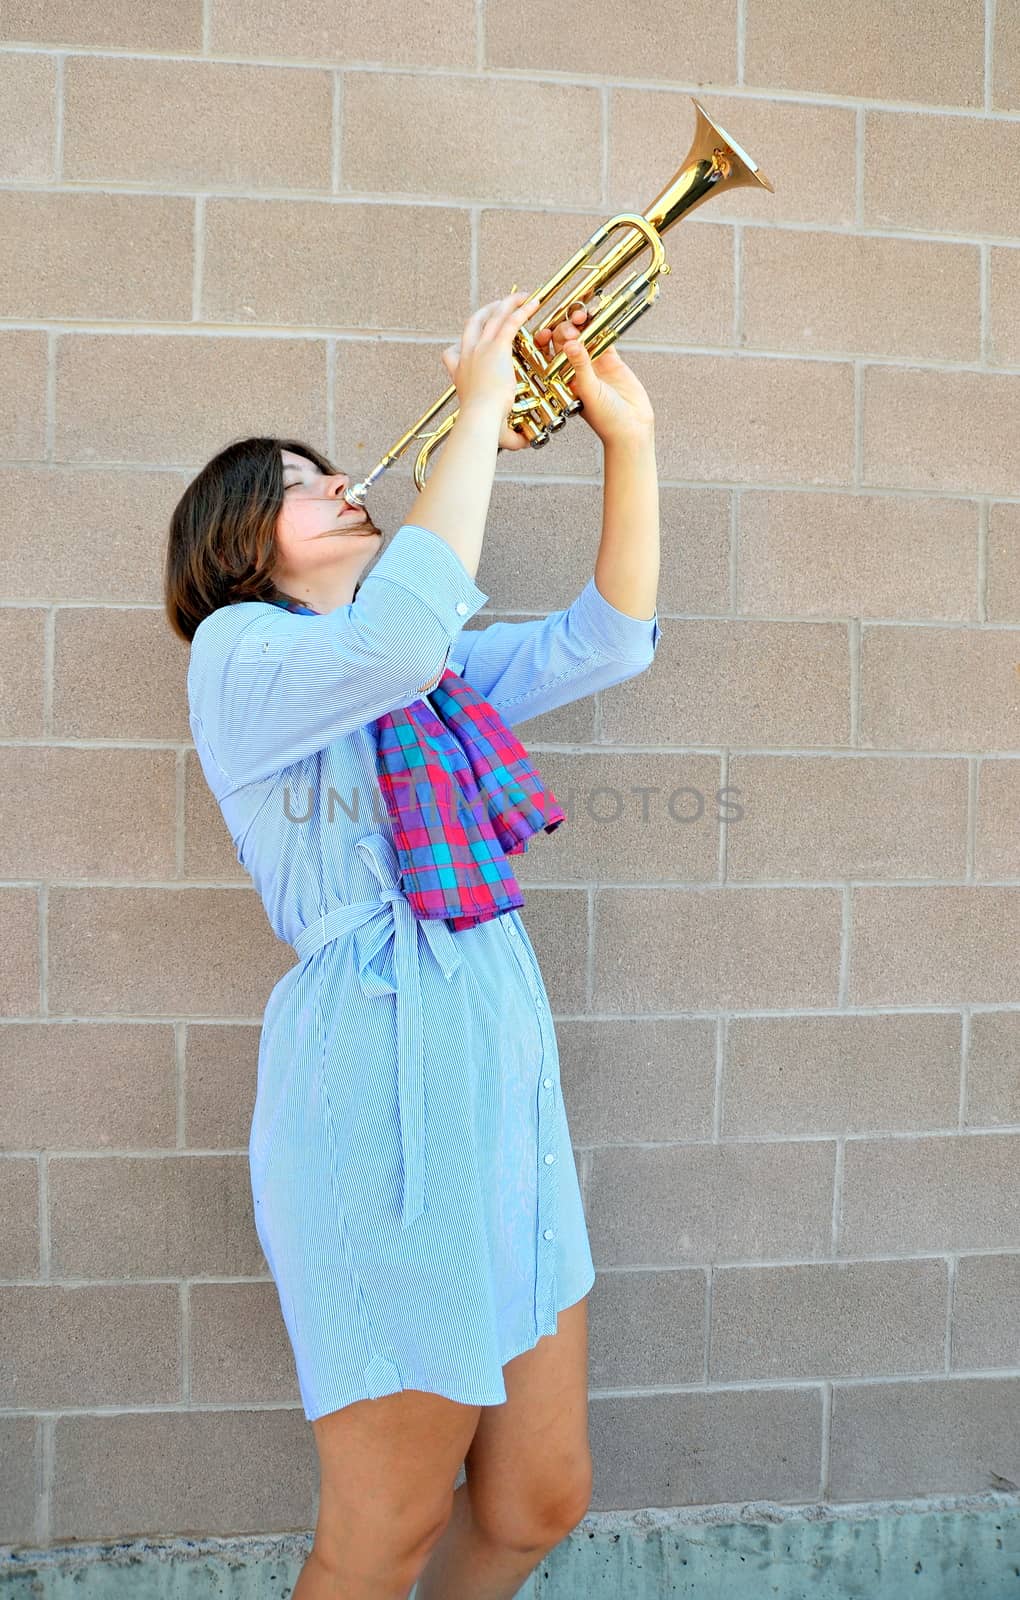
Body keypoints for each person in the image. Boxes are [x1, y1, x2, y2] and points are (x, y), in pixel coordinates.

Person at [165, 291, 662, 1600]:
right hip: (374, 1086)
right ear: (239, 547)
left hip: (498, 1059)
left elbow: (603, 643)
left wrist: (631, 442)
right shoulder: (242, 653)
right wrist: (485, 408)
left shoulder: (427, 672)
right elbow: (393, 637)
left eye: (333, 470)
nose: (340, 483)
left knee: (539, 1491)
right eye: (298, 486)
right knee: (383, 1523)